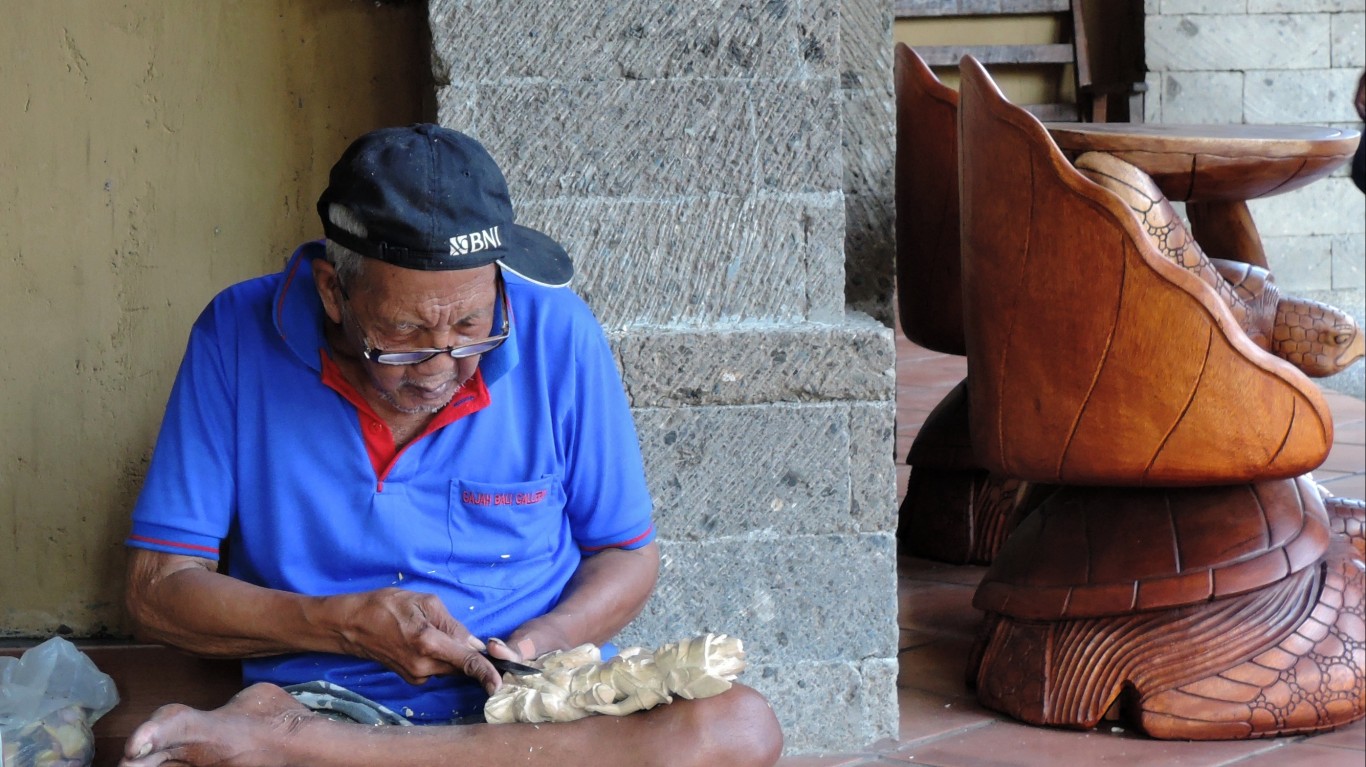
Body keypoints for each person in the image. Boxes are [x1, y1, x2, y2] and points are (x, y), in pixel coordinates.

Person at [119, 124, 783, 767]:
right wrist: (342, 623)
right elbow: (160, 588)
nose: (441, 368)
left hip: (530, 718)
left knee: (738, 725)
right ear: (333, 291)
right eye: (403, 334)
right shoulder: (236, 336)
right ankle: (312, 736)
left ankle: (298, 746)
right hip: (329, 699)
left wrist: (540, 645)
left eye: (471, 325)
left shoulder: (558, 333)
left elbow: (626, 552)